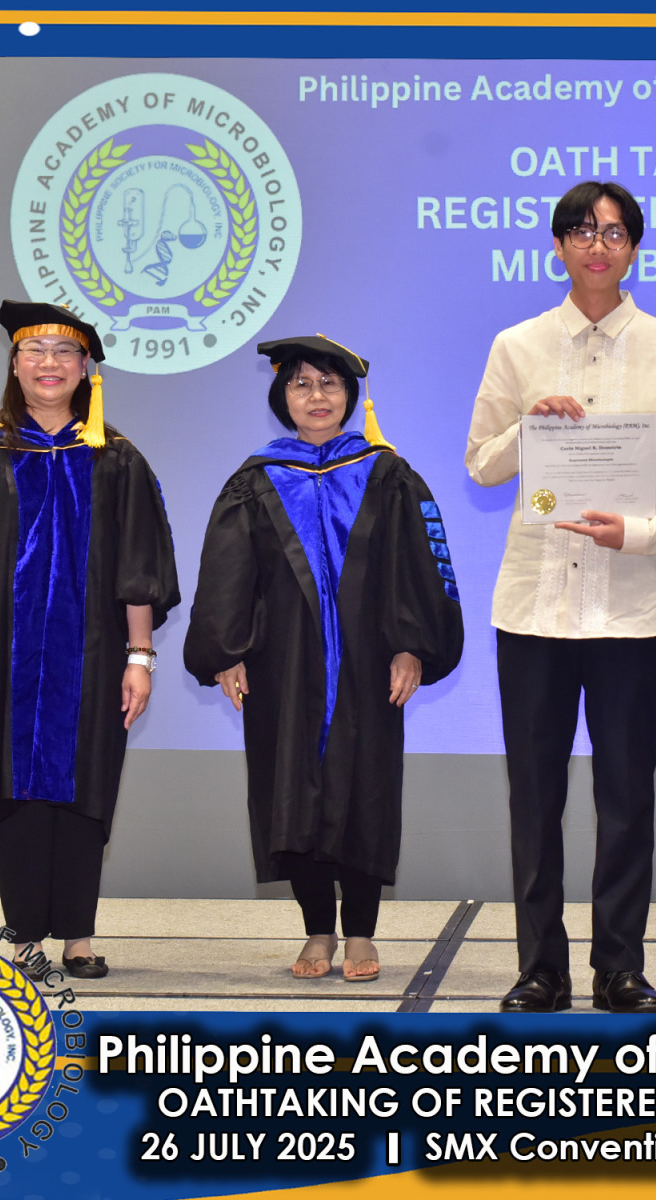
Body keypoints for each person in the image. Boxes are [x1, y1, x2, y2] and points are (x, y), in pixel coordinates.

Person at [466, 182, 656, 1013]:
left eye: (613, 232)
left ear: (633, 248)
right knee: (534, 801)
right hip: (533, 609)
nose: (597, 245)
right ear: (558, 247)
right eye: (581, 231)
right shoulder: (517, 345)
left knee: (626, 798)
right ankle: (540, 968)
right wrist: (530, 428)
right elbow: (480, 464)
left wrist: (643, 532)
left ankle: (620, 967)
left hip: (631, 607)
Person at [0, 300, 180, 980]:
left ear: (86, 368)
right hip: (1, 657)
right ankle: (26, 937)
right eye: (36, 350)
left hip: (93, 658)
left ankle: (79, 938)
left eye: (65, 352)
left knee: (85, 789)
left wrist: (140, 658)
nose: (50, 363)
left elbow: (138, 571)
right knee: (16, 792)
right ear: (14, 363)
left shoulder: (116, 458)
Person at [183, 335, 463, 983]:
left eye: (329, 383)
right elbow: (226, 571)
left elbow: (420, 566)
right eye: (301, 383)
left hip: (369, 661)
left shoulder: (387, 474)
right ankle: (317, 929)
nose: (316, 395)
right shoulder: (256, 479)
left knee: (365, 788)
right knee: (291, 792)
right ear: (282, 396)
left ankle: (360, 931)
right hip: (281, 664)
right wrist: (227, 652)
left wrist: (412, 646)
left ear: (350, 396)